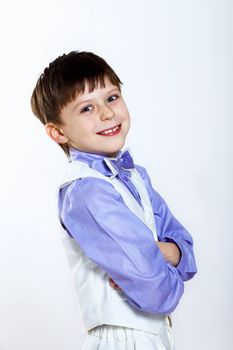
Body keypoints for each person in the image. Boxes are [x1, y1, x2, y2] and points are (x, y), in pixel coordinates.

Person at [31, 51, 197, 350]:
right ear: (57, 132)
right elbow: (157, 292)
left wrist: (164, 254)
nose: (107, 114)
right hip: (121, 340)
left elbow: (185, 249)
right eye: (86, 109)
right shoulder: (86, 191)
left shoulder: (135, 177)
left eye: (111, 98)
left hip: (153, 337)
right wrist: (159, 261)